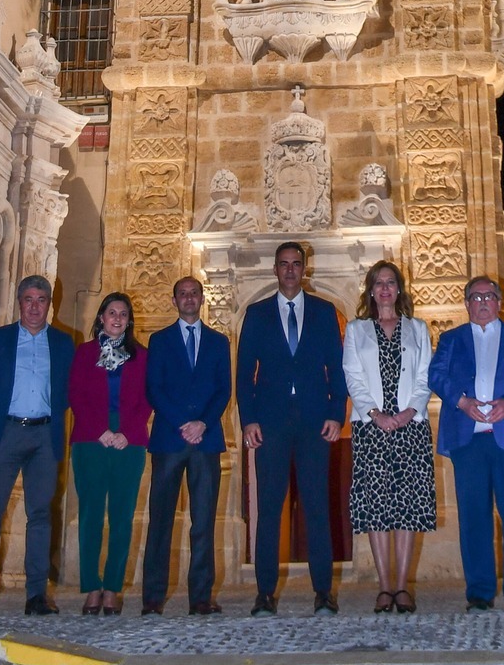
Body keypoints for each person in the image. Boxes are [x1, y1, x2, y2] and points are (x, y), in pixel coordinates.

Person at [236, 241, 348, 617]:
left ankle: (323, 593)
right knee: (269, 508)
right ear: (274, 269)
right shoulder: (255, 314)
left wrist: (336, 413)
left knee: (318, 507)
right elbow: (243, 374)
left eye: (295, 264)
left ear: (304, 269)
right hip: (270, 423)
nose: (289, 270)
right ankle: (264, 594)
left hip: (316, 423)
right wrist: (248, 419)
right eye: (283, 264)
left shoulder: (323, 311)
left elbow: (337, 366)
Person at [428, 276, 504, 612]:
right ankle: (479, 592)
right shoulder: (451, 340)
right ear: (466, 304)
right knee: (474, 516)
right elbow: (436, 374)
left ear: (499, 302)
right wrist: (461, 402)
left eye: (489, 296)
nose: (482, 302)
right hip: (469, 440)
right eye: (475, 297)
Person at [0, 274, 75, 616]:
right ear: (19, 303)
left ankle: (36, 595)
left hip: (44, 435)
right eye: (28, 299)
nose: (34, 307)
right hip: (7, 431)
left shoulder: (63, 343)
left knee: (41, 515)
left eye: (40, 300)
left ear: (49, 304)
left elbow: (67, 391)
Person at [342, 261, 436, 614]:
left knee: (408, 507)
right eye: (378, 283)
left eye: (390, 282)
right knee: (378, 508)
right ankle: (384, 587)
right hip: (371, 430)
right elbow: (353, 376)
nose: (384, 288)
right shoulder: (356, 330)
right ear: (370, 290)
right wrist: (376, 414)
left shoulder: (418, 328)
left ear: (399, 289)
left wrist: (407, 412)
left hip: (410, 428)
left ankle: (402, 587)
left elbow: (426, 377)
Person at [142, 277, 232, 616]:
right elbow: (154, 388)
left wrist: (203, 423)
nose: (189, 298)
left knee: (204, 522)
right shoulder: (160, 340)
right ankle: (152, 598)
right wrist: (184, 422)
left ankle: (200, 597)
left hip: (206, 440)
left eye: (194, 293)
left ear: (202, 298)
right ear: (175, 299)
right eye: (183, 294)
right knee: (160, 520)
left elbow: (224, 389)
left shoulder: (219, 341)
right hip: (169, 438)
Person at [69, 292, 151, 616]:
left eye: (122, 314)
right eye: (111, 313)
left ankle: (113, 587)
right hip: (91, 438)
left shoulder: (142, 356)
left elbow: (148, 397)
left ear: (129, 321)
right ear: (101, 317)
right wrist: (100, 430)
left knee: (122, 516)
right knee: (90, 514)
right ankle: (91, 586)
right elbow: (75, 394)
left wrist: (125, 433)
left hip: (128, 442)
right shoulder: (85, 352)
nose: (117, 318)